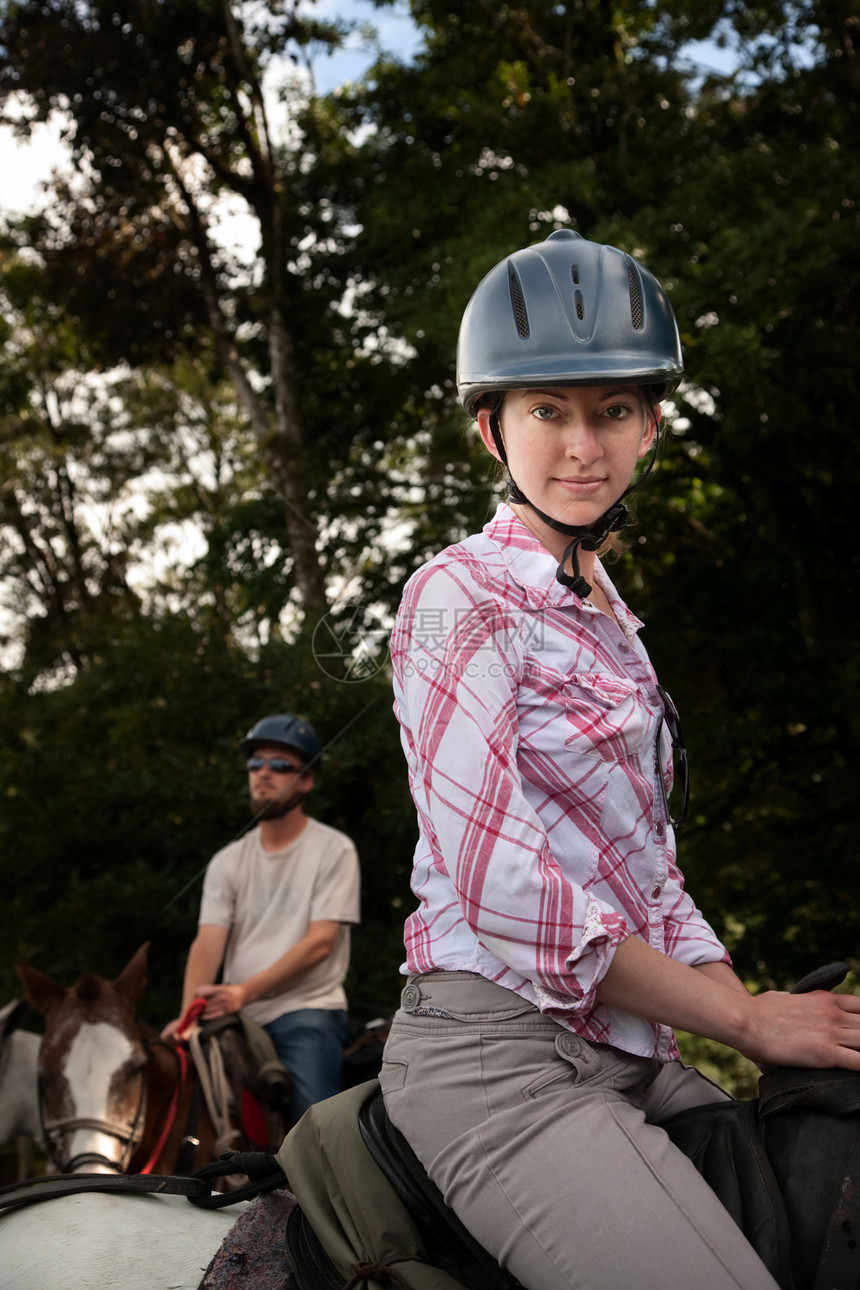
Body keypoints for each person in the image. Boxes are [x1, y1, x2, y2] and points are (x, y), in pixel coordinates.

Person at [379, 229, 860, 1290]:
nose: (580, 445)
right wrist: (741, 1017)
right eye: (546, 411)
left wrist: (756, 1024)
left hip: (638, 1052)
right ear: (487, 429)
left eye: (610, 411)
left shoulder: (615, 625)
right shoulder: (456, 597)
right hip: (497, 1059)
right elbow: (503, 888)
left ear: (648, 425)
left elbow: (651, 880)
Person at [164, 713, 360, 1123]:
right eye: (255, 764)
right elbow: (207, 943)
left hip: (306, 1011)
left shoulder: (334, 850)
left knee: (316, 1130)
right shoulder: (228, 860)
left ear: (306, 781)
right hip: (236, 1016)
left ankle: (326, 1187)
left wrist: (243, 992)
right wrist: (187, 1020)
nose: (263, 774)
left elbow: (321, 942)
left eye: (280, 765)